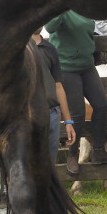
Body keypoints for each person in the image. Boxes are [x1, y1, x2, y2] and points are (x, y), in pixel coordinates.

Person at [45, 9, 107, 174]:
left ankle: (99, 150)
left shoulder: (84, 8)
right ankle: (73, 155)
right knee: (77, 114)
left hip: (87, 65)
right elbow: (50, 27)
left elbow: (88, 30)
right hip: (66, 67)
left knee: (102, 106)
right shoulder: (63, 10)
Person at [31, 30, 77, 162]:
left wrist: (68, 121)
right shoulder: (20, 48)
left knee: (50, 163)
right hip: (28, 113)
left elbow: (58, 86)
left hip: (52, 113)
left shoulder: (50, 48)